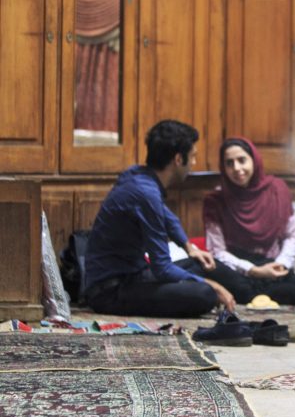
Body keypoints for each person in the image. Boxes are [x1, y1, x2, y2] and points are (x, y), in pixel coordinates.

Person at [83, 120, 236, 318]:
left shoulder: (137, 175)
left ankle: (252, 288)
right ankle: (229, 291)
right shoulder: (145, 193)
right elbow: (162, 268)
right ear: (179, 159)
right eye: (193, 157)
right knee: (204, 293)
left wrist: (189, 247)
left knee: (199, 264)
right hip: (110, 291)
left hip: (134, 275)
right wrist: (210, 286)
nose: (194, 163)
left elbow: (168, 218)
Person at [201, 137, 295, 305]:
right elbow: (217, 251)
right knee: (235, 285)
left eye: (242, 160)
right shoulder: (215, 201)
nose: (237, 168)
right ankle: (254, 294)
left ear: (254, 160)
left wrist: (281, 264)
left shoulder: (277, 190)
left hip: (272, 266)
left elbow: (292, 235)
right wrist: (253, 270)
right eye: (229, 163)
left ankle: (253, 295)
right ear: (223, 168)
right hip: (238, 268)